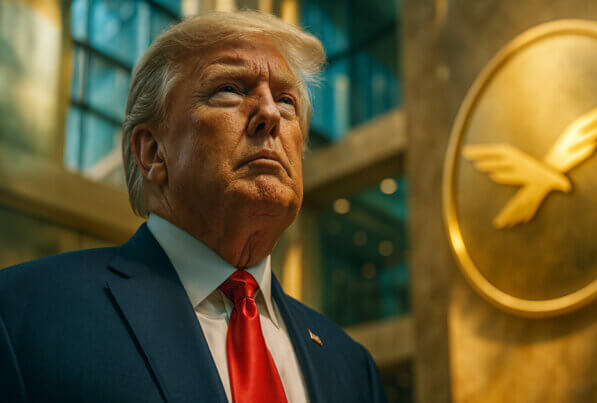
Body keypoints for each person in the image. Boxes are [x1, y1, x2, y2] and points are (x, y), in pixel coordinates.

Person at [0, 11, 387, 403]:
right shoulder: (23, 317)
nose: (270, 114)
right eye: (230, 90)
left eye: (286, 100)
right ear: (152, 152)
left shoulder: (352, 367)